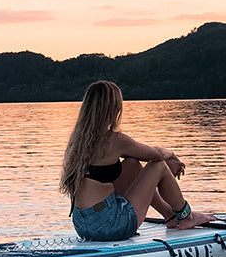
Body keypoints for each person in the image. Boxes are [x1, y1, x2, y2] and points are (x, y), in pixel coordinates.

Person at [60, 80, 215, 241]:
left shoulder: (77, 141)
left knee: (131, 164)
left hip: (81, 224)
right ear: (114, 109)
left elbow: (142, 157)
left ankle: (170, 216)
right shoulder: (113, 140)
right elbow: (156, 155)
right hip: (110, 225)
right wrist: (172, 154)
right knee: (159, 166)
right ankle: (186, 217)